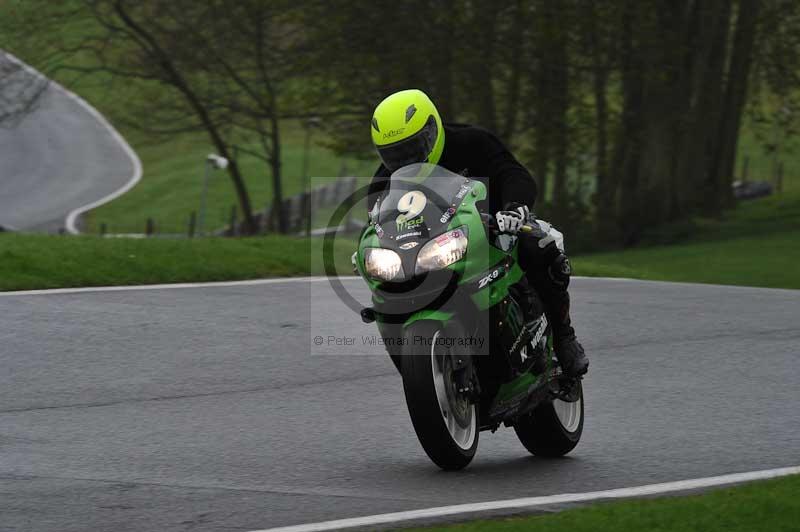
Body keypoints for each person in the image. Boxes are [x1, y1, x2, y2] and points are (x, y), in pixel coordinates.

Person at [367, 88, 588, 378]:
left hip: (496, 231)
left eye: (413, 148)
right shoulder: (384, 180)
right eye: (395, 155)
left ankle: (563, 337)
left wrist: (514, 207)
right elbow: (376, 222)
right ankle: (425, 371)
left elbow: (513, 174)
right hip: (435, 250)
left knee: (540, 247)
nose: (406, 160)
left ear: (432, 129)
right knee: (386, 295)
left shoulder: (472, 142)